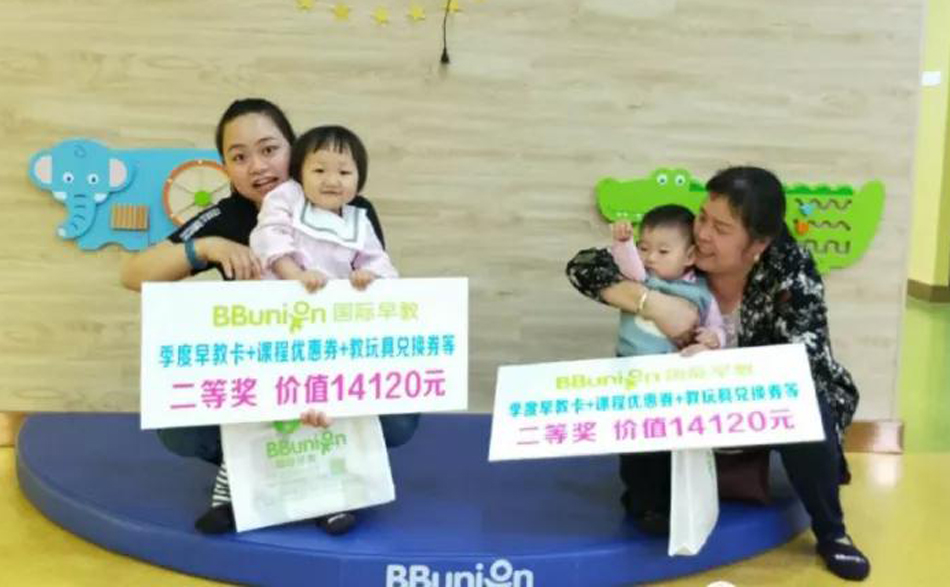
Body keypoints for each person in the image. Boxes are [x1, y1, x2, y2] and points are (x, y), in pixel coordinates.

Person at [119, 98, 420, 534]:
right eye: (239, 157)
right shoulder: (225, 216)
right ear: (226, 167)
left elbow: (375, 290)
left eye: (269, 149)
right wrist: (208, 247)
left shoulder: (348, 210)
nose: (257, 166)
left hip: (331, 364)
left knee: (400, 419)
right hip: (259, 371)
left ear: (294, 149)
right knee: (180, 427)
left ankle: (324, 476)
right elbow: (133, 274)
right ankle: (250, 470)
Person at [566, 166, 870, 581]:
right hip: (687, 394)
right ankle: (651, 500)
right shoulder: (685, 248)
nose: (704, 233)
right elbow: (584, 267)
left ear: (758, 243)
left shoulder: (789, 267)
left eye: (721, 228)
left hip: (756, 394)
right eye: (703, 217)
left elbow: (806, 361)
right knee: (645, 484)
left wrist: (720, 366)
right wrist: (654, 304)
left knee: (808, 405)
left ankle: (832, 531)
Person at [608, 204, 724, 358]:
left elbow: (716, 326)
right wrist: (623, 243)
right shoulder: (640, 275)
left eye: (663, 251)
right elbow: (626, 264)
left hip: (673, 366)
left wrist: (714, 339)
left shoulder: (702, 293)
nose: (651, 258)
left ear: (689, 256)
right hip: (629, 361)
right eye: (643, 248)